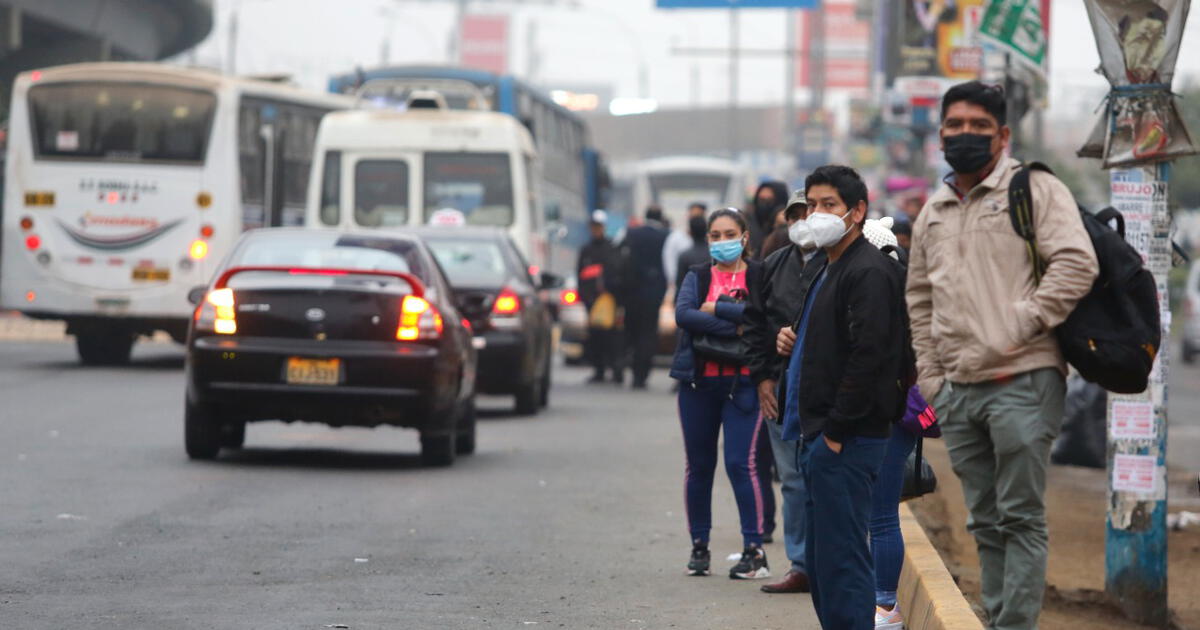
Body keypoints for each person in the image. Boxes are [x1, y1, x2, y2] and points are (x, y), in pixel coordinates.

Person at [906, 81, 1097, 630]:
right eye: (955, 126)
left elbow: (1076, 263)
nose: (964, 135)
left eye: (978, 126)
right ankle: (997, 621)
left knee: (1020, 517)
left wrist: (1021, 321)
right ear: (940, 133)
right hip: (957, 389)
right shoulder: (934, 211)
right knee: (983, 522)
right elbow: (919, 297)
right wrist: (932, 376)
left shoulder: (1033, 189)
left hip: (1023, 379)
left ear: (1002, 135)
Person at [781, 165, 908, 630]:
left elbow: (870, 358)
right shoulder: (827, 267)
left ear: (857, 211)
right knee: (823, 563)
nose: (816, 214)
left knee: (845, 562)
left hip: (846, 440)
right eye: (811, 205)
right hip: (818, 437)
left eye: (828, 205)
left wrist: (835, 432)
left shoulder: (869, 272)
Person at [671, 207, 770, 580]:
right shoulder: (697, 275)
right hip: (698, 384)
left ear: (745, 237)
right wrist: (736, 326)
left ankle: (754, 549)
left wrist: (721, 309)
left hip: (744, 384)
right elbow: (685, 316)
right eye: (715, 235)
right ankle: (700, 547)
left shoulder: (760, 274)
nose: (722, 241)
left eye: (730, 234)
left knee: (740, 464)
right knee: (698, 467)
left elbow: (762, 317)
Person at [744, 190, 823, 595]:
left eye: (809, 212)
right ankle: (801, 565)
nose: (802, 221)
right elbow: (754, 327)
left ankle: (832, 563)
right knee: (791, 479)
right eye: (794, 215)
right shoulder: (772, 266)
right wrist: (763, 378)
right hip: (781, 388)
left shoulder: (843, 265)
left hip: (828, 391)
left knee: (828, 478)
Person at [621, 205, 670, 389]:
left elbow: (622, 260)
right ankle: (642, 374)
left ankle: (629, 368)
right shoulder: (666, 236)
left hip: (632, 292)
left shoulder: (632, 233)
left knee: (631, 330)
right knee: (648, 333)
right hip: (654, 292)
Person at [577, 210, 626, 384]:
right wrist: (586, 298)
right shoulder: (586, 250)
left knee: (612, 337)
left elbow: (616, 274)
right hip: (592, 301)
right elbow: (580, 276)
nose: (596, 230)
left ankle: (616, 369)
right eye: (593, 226)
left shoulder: (611, 248)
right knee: (595, 336)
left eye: (598, 226)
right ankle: (599, 370)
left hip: (609, 301)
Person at [664, 203, 708, 290]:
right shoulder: (676, 237)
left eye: (699, 215)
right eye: (693, 215)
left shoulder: (713, 238)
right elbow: (669, 260)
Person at [748, 180, 789, 258]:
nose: (764, 205)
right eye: (762, 200)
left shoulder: (787, 227)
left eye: (769, 200)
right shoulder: (748, 223)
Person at [675, 214, 711, 293]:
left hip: (691, 298)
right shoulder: (714, 254)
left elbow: (680, 284)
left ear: (690, 232)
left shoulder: (684, 256)